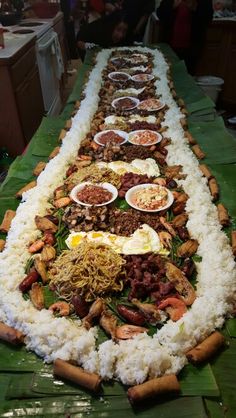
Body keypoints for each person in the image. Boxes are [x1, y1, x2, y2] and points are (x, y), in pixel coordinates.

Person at [156, 0, 213, 74]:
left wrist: (194, 7)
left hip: (192, 48)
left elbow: (208, 19)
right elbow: (160, 14)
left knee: (188, 75)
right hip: (169, 46)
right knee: (166, 74)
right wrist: (172, 6)